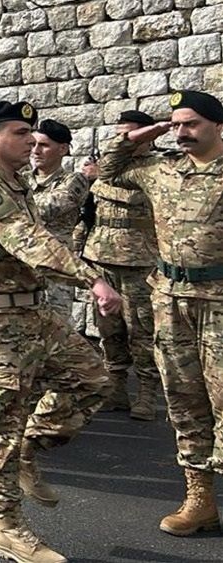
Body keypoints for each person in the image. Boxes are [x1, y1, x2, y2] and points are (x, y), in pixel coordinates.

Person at [0, 100, 118, 562]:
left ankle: (30, 448)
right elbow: (26, 239)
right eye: (21, 133)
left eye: (33, 134)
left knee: (93, 379)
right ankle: (9, 530)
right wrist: (92, 279)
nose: (32, 141)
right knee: (3, 425)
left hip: (34, 314)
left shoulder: (14, 182)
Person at [99, 90, 223, 537]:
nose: (182, 132)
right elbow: (108, 170)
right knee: (185, 401)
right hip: (170, 299)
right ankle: (199, 499)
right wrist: (144, 134)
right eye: (177, 124)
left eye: (191, 123)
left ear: (218, 126)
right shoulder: (161, 170)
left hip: (219, 301)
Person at [80, 110, 161, 421]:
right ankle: (116, 388)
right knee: (108, 329)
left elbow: (136, 198)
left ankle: (147, 392)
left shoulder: (155, 167)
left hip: (139, 261)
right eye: (118, 134)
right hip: (102, 258)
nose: (122, 140)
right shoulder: (105, 167)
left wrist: (98, 179)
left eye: (129, 133)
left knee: (142, 330)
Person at [28, 118, 89, 323]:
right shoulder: (21, 179)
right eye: (33, 144)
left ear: (62, 149)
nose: (36, 151)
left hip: (56, 267)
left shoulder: (74, 181)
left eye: (44, 145)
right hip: (25, 265)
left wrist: (13, 205)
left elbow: (48, 208)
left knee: (58, 326)